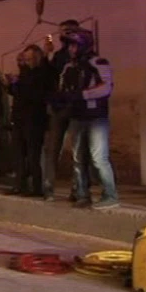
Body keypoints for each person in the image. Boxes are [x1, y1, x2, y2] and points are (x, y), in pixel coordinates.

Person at [52, 29, 120, 209]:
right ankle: (82, 194)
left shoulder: (98, 62)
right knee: (78, 158)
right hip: (76, 116)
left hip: (96, 117)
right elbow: (63, 88)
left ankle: (110, 195)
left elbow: (106, 87)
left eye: (74, 45)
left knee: (99, 158)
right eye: (69, 45)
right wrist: (60, 98)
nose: (71, 49)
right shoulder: (68, 67)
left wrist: (83, 94)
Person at [42, 19, 93, 202]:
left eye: (68, 32)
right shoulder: (59, 56)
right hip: (58, 107)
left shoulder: (85, 57)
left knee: (78, 151)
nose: (64, 36)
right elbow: (50, 77)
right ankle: (48, 186)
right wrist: (47, 56)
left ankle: (78, 188)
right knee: (53, 148)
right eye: (61, 32)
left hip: (76, 108)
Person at [7, 45, 52, 196]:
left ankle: (37, 187)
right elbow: (17, 93)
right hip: (19, 118)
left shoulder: (41, 73)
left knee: (33, 155)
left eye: (28, 59)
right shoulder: (25, 73)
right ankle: (20, 185)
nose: (25, 62)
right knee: (18, 153)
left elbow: (34, 94)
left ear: (36, 58)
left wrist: (19, 85)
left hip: (34, 119)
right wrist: (12, 83)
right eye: (24, 59)